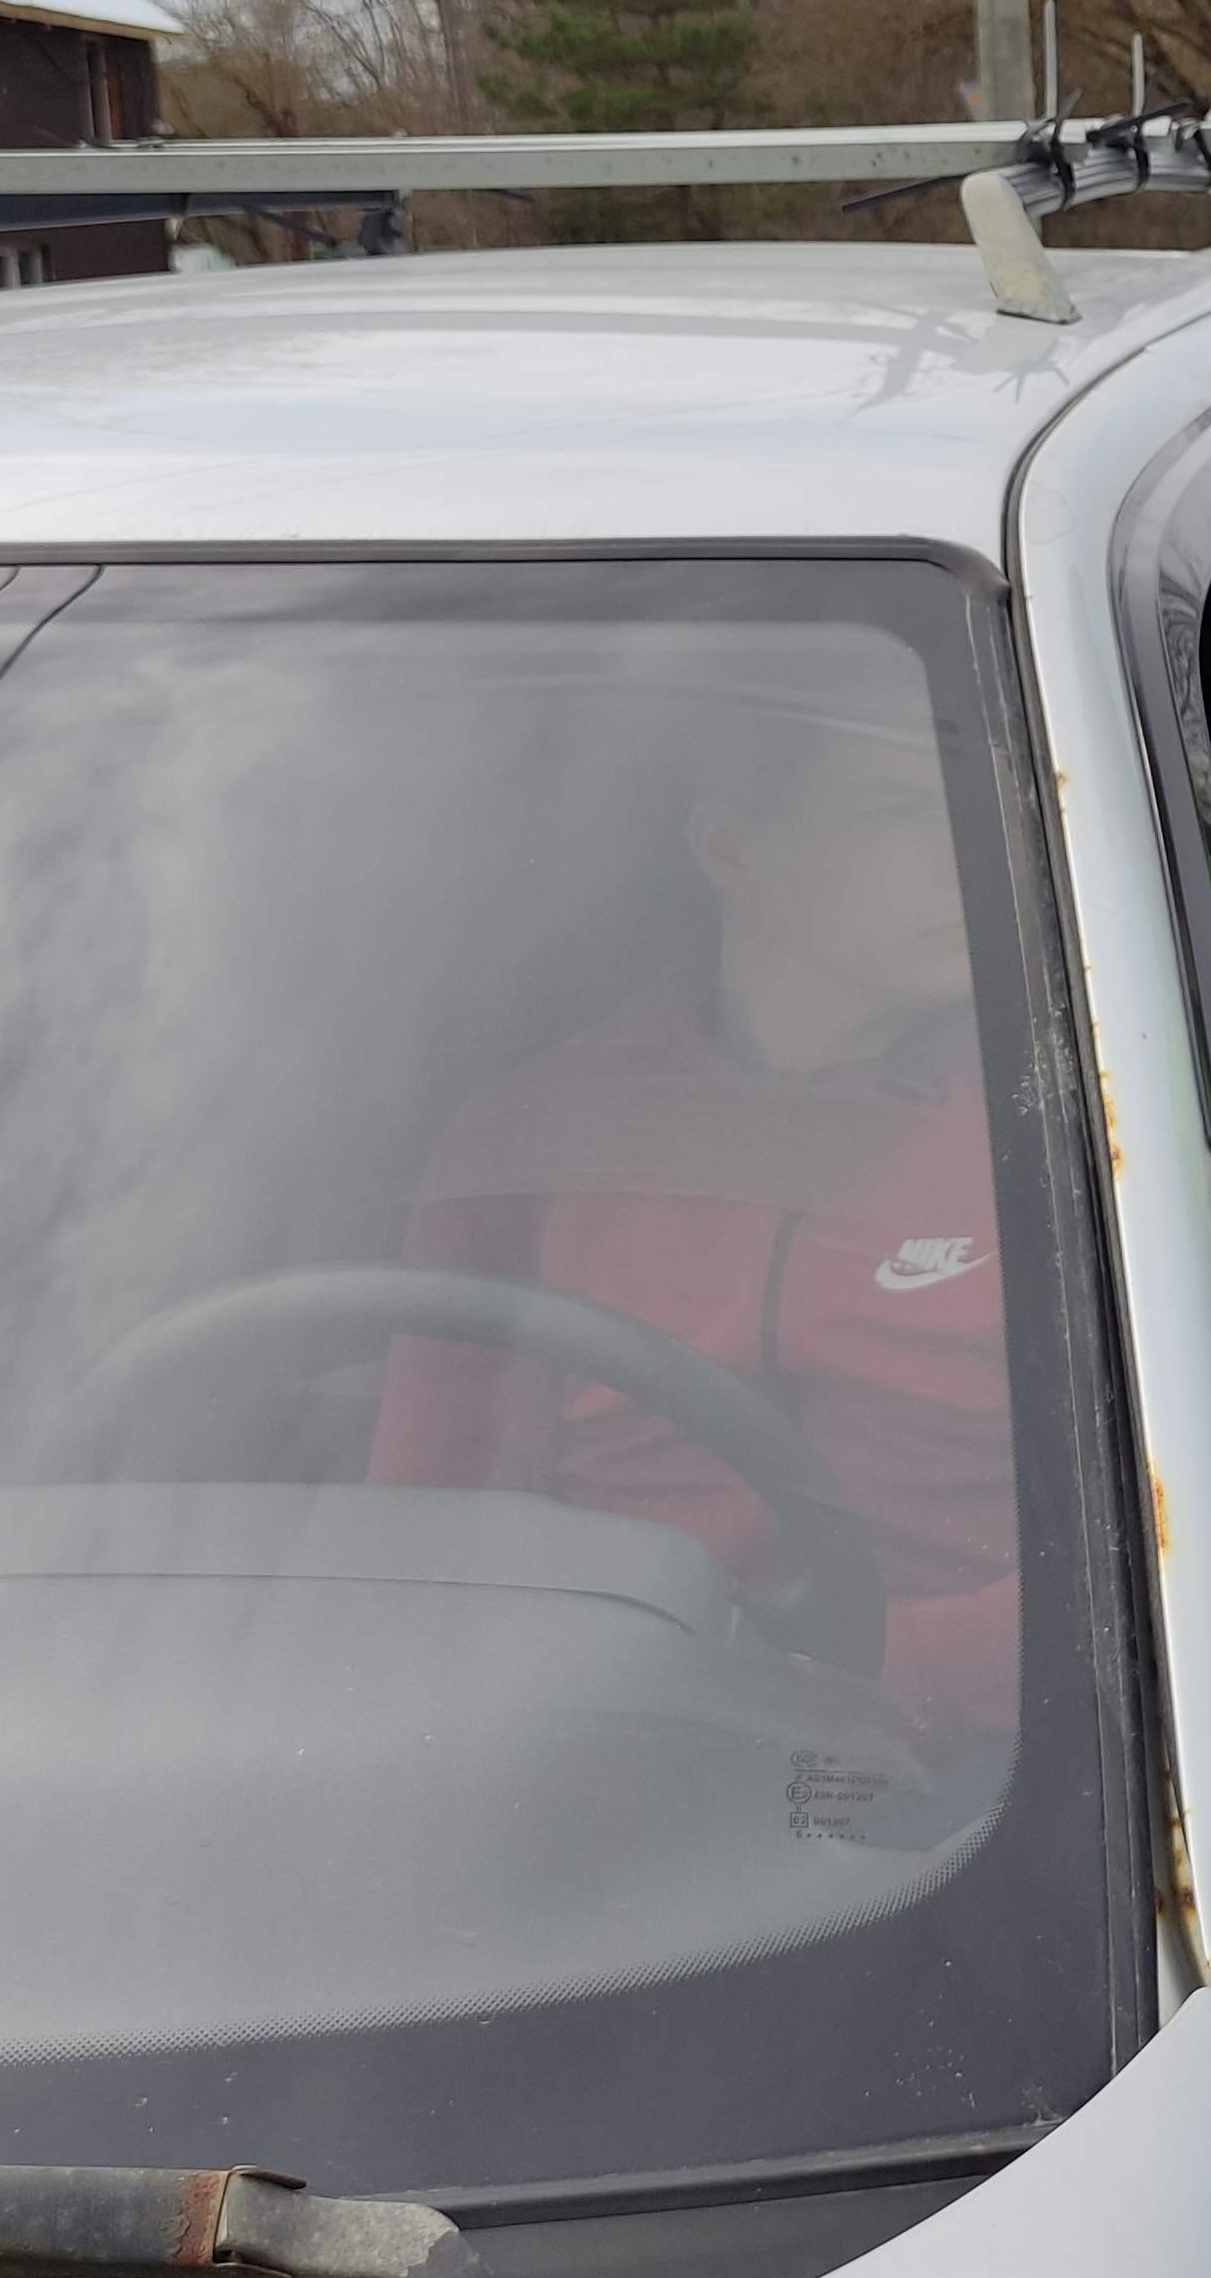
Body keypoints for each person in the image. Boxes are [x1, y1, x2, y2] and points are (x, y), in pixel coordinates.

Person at [368, 706, 1020, 1732]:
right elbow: (433, 1524)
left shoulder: (1058, 1134)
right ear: (730, 847)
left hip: (998, 1785)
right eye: (894, 810)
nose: (962, 860)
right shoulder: (532, 1133)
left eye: (970, 813)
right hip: (600, 1746)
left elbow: (1141, 1556)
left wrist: (855, 1683)